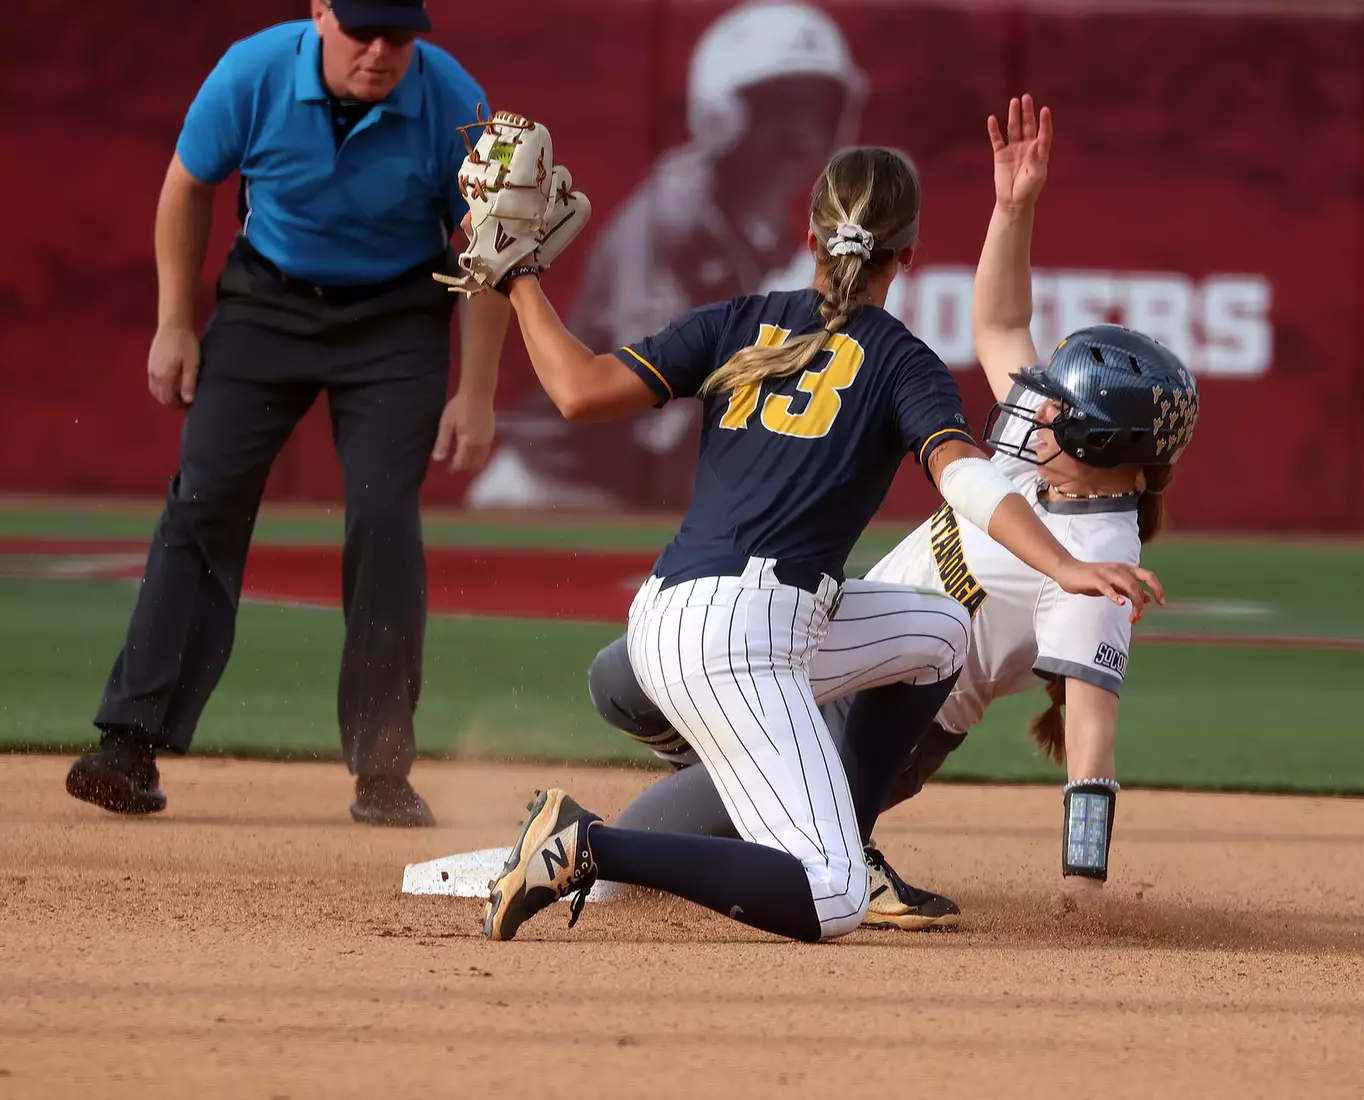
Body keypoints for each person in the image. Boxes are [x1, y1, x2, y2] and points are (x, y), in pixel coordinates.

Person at [478, 134, 1163, 944]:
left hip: (672, 612)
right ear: (908, 256)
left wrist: (516, 278)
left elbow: (577, 390)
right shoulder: (903, 362)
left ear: (809, 236)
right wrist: (1064, 563)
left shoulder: (738, 320)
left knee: (943, 629)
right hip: (741, 641)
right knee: (828, 898)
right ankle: (584, 843)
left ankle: (828, 819)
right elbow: (967, 482)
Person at [64, 0, 511, 827]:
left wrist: (475, 390)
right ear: (318, 15)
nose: (381, 52)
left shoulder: (455, 103)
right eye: (362, 31)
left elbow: (490, 250)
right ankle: (128, 742)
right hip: (265, 303)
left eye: (399, 36)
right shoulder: (253, 71)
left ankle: (382, 769)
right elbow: (187, 186)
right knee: (203, 501)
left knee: (382, 518)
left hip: (397, 318)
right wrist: (173, 325)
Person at [465, 0, 866, 511]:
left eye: (817, 108)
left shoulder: (775, 218)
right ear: (721, 112)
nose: (802, 131)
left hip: (633, 489)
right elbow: (648, 376)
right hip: (554, 485)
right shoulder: (673, 216)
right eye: (779, 108)